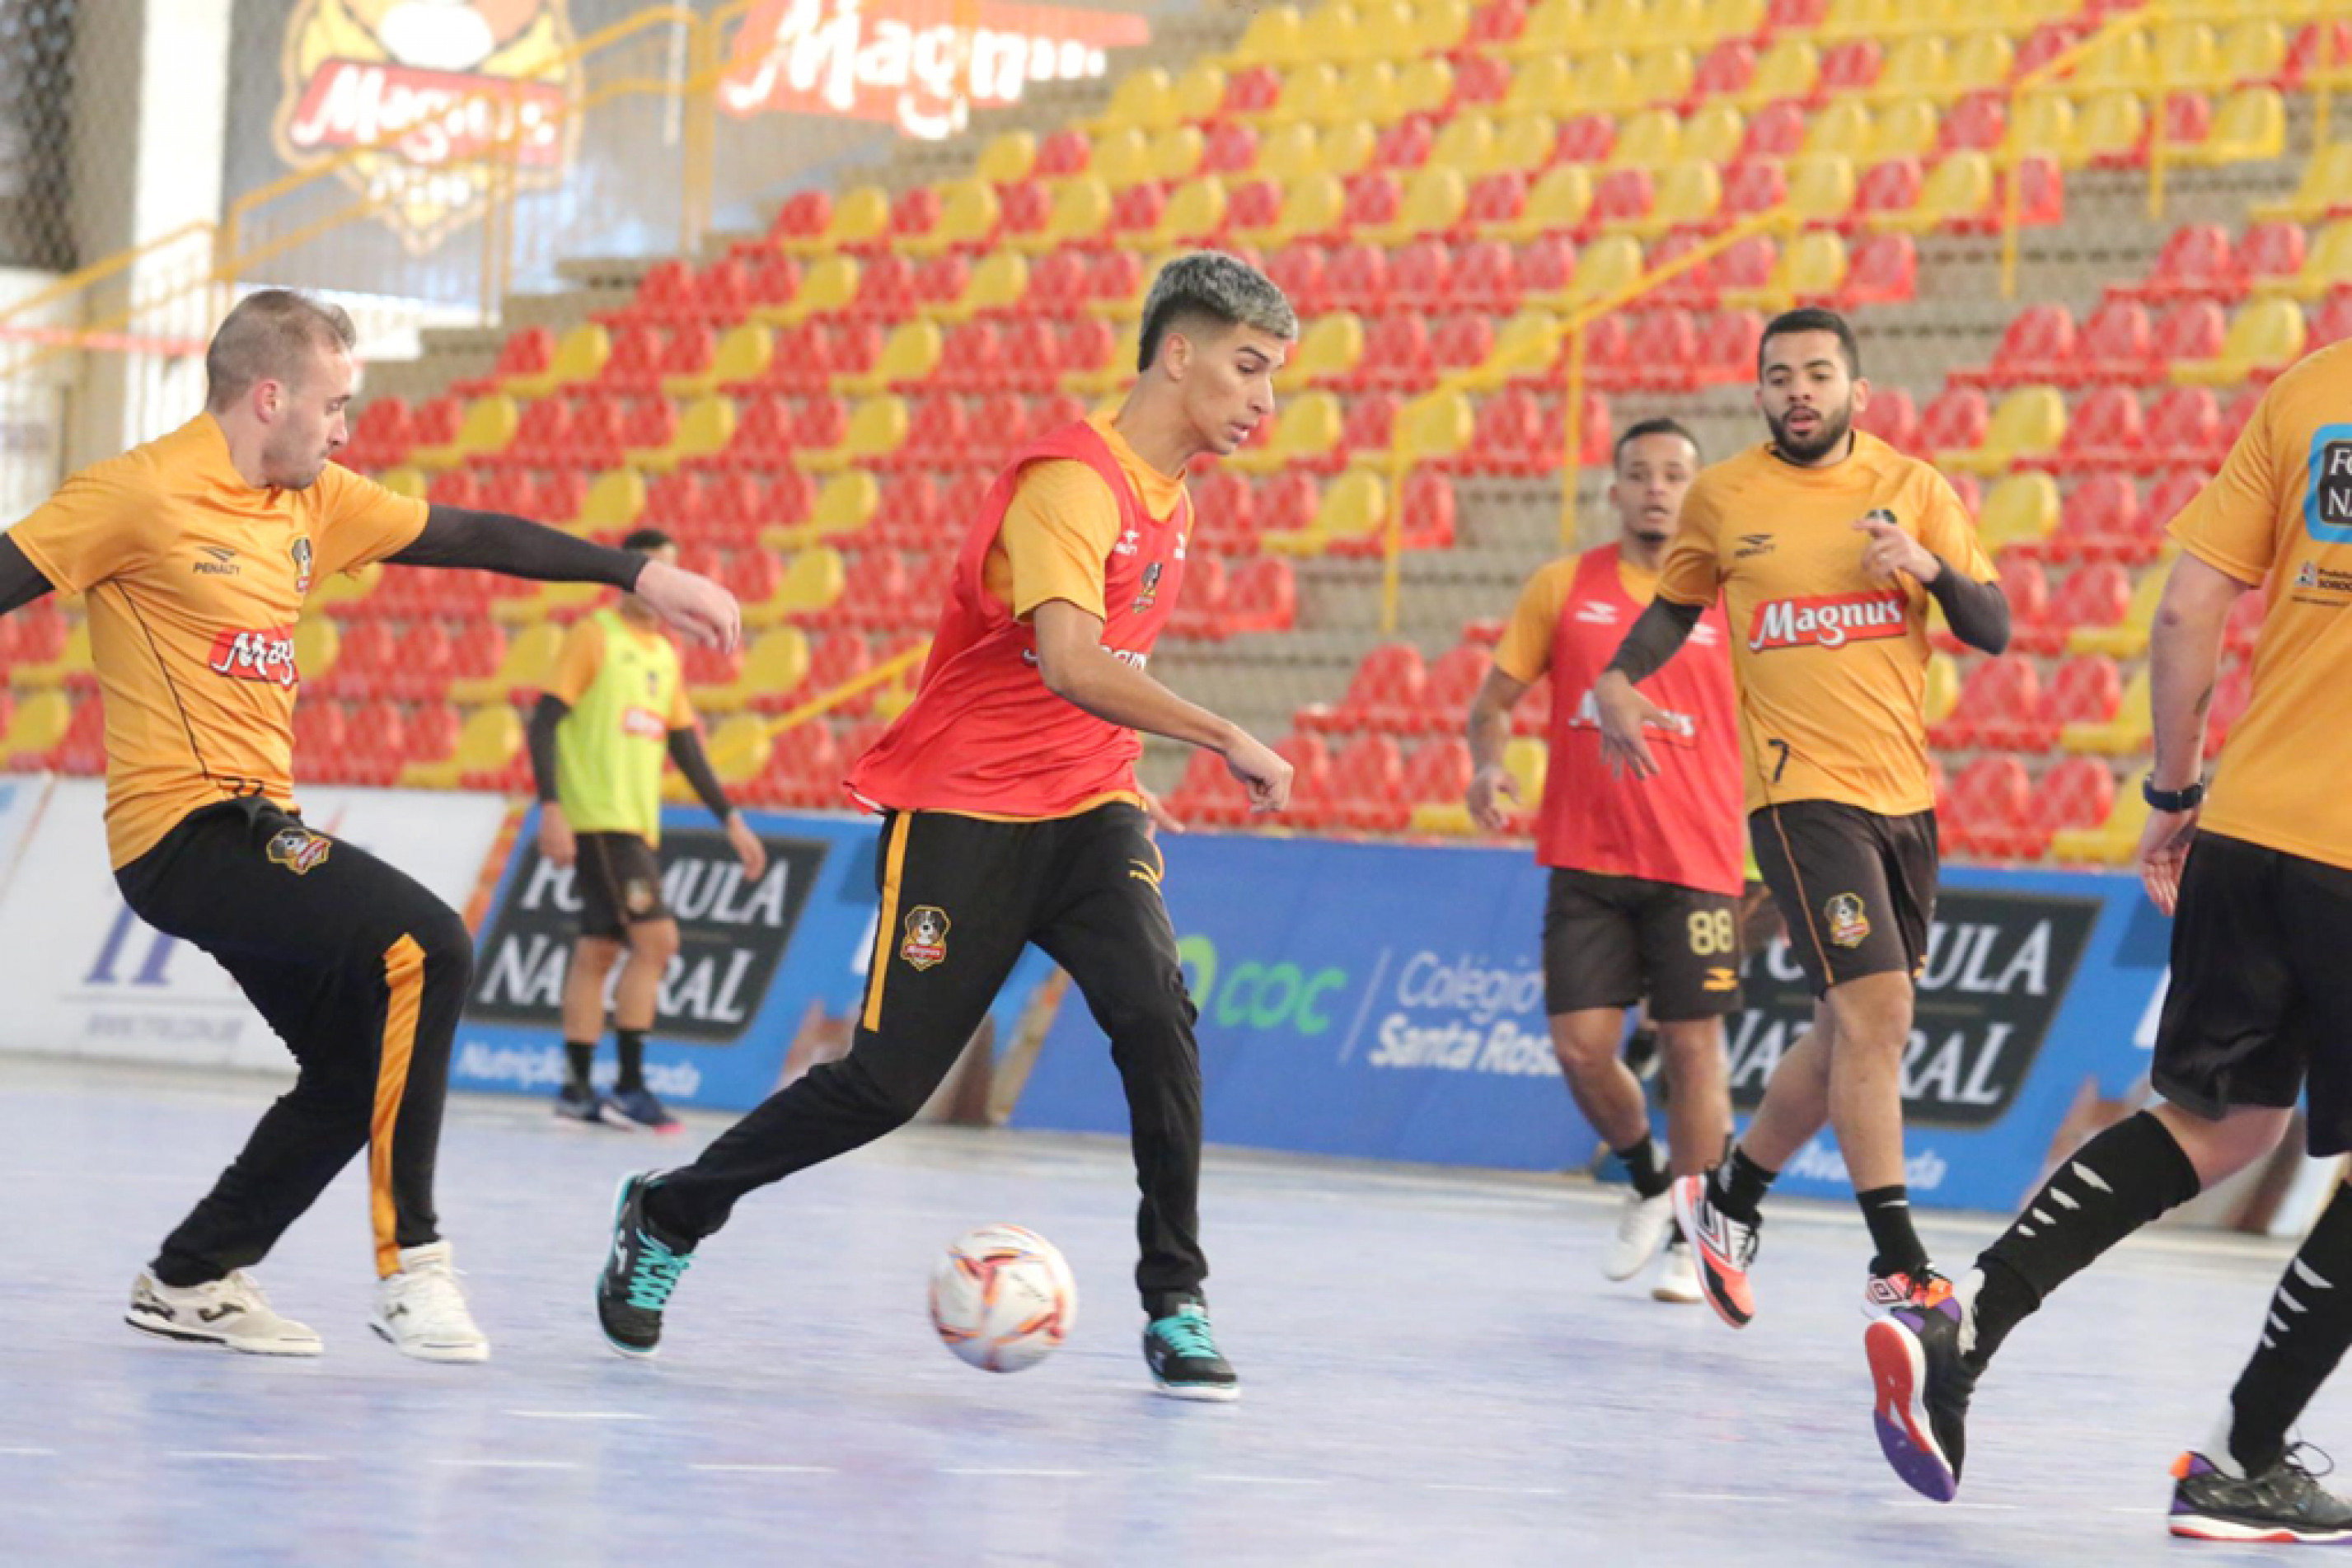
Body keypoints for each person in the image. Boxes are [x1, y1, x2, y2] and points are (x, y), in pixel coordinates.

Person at [593, 251, 1297, 1402]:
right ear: (1178, 353)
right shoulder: (1070, 483)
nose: (1266, 399)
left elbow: (1094, 677)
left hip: (1087, 809)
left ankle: (1175, 1294)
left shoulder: (1174, 498)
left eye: (1275, 376)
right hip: (965, 812)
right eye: (1249, 367)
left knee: (1156, 1016)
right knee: (882, 1085)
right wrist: (1222, 735)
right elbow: (1070, 660)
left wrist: (1124, 771)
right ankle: (669, 1208)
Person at [0, 289, 739, 1362]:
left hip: (260, 826)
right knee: (429, 942)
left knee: (356, 1066)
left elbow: (472, 535)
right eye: (335, 405)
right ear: (270, 395)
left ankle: (192, 1273)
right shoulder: (137, 494)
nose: (346, 430)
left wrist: (639, 571)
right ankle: (415, 1268)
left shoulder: (312, 500)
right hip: (183, 830)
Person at [1866, 339, 2352, 1537]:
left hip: (2248, 828)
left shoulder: (2310, 389)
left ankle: (1964, 1326)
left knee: (2213, 1119)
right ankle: (2240, 1456)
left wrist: (2175, 790)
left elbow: (2187, 605)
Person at [1593, 307, 2009, 1337]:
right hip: (1794, 793)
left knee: (1841, 1037)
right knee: (1878, 1016)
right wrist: (1616, 678)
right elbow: (1675, 605)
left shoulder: (1914, 490)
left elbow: (1991, 627)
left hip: (1901, 797)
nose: (1798, 390)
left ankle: (1727, 1201)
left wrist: (1927, 566)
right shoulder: (1725, 496)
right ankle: (1899, 1263)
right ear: (1759, 392)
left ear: (1856, 393)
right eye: (1778, 374)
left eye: (1817, 373)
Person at [1464, 418, 1744, 1307]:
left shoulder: (1732, 598)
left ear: (1696, 493)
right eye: (1639, 473)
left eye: (1675, 474)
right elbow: (1494, 702)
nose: (1657, 487)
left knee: (1696, 1048)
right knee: (1582, 1050)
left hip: (1696, 858)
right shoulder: (1563, 587)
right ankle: (1646, 1178)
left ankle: (1697, 1240)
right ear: (1614, 491)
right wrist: (1486, 764)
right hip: (1585, 858)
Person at [528, 527, 768, 1132]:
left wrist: (731, 820)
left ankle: (576, 1089)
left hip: (636, 822)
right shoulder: (594, 636)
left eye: (672, 569)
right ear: (627, 574)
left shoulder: (665, 653)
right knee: (657, 943)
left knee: (599, 949)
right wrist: (552, 808)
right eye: (651, 567)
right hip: (600, 819)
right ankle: (630, 1086)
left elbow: (685, 746)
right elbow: (544, 721)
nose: (663, 580)